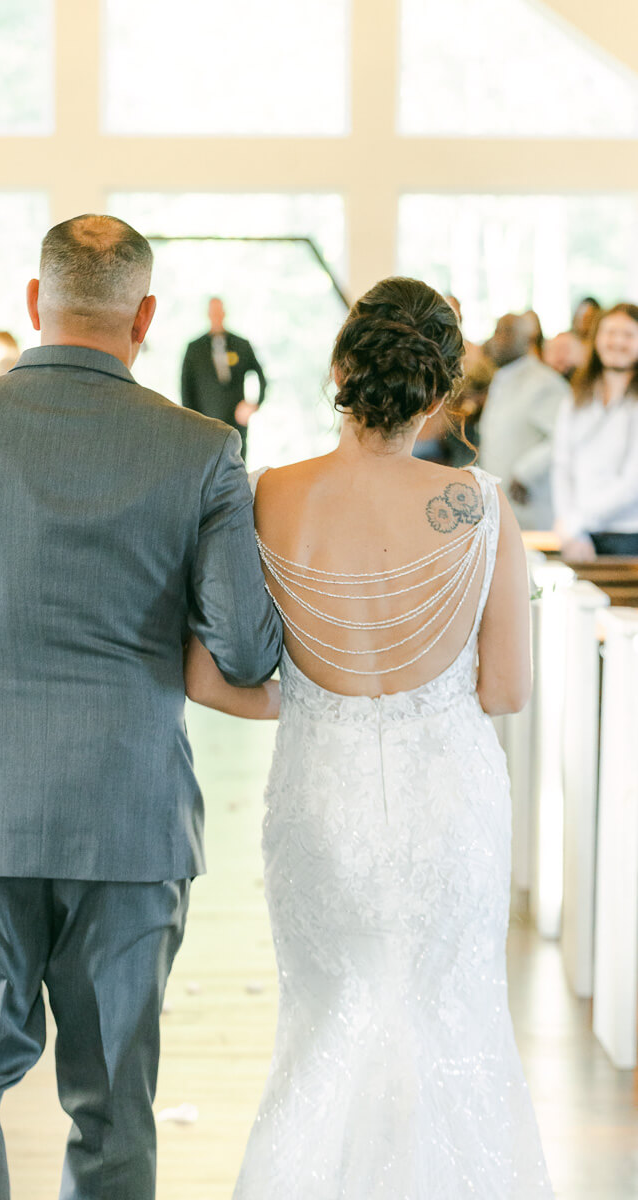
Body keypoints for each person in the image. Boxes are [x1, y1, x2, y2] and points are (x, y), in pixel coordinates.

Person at [0, 214, 281, 1200]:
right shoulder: (201, 450)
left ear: (35, 303)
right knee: (113, 1106)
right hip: (130, 826)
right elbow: (249, 651)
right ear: (148, 316)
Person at [186, 277, 553, 1197]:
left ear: (339, 371)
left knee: (329, 1021)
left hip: (319, 794)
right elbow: (504, 689)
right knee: (447, 1016)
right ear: (438, 392)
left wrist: (315, 705)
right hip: (449, 798)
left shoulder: (267, 493)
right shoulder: (475, 504)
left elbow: (204, 674)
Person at [553, 302, 638, 559]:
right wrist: (569, 527)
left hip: (627, 535)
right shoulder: (577, 395)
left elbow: (632, 483)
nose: (618, 342)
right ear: (597, 338)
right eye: (610, 333)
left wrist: (577, 520)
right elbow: (562, 464)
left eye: (628, 335)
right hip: (577, 536)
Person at [478, 311, 569, 530]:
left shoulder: (545, 382)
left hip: (530, 503)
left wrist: (524, 472)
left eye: (507, 332)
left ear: (528, 340)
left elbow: (562, 437)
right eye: (497, 331)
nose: (497, 339)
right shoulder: (502, 377)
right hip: (499, 501)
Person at [181, 296, 266, 459]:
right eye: (213, 311)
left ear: (224, 313)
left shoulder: (241, 344)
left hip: (236, 424)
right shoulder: (194, 349)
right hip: (205, 424)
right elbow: (186, 390)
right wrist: (192, 425)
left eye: (219, 311)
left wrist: (253, 404)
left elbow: (261, 376)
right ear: (207, 314)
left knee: (237, 465)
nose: (216, 315)